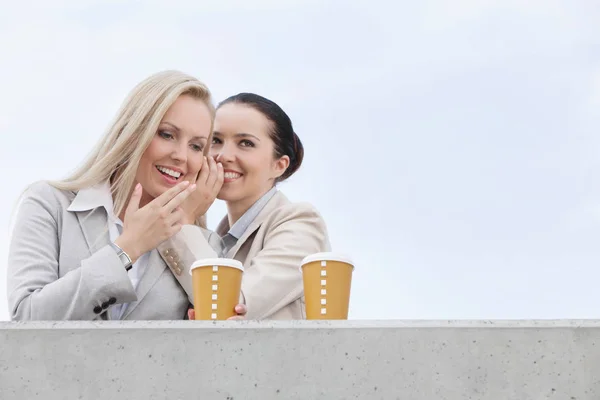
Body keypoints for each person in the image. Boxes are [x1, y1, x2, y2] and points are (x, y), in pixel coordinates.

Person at [6, 70, 246, 321]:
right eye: (167, 134)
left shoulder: (203, 244)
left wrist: (181, 224)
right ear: (133, 132)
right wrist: (128, 248)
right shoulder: (49, 204)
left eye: (196, 146)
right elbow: (27, 318)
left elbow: (216, 339)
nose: (182, 156)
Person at [157, 93, 331, 320]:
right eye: (216, 141)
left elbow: (228, 306)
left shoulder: (300, 223)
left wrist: (185, 219)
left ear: (279, 165)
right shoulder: (218, 238)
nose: (224, 156)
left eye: (245, 143)